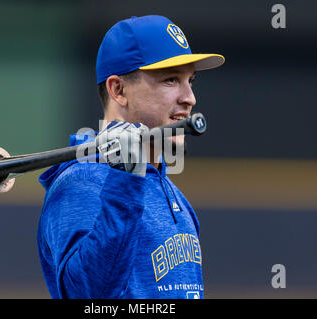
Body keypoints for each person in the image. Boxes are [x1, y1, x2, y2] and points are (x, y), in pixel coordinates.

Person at [37, 15, 224, 299]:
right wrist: (125, 179)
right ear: (118, 90)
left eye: (190, 81)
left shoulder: (168, 189)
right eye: (171, 80)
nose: (190, 98)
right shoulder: (80, 184)